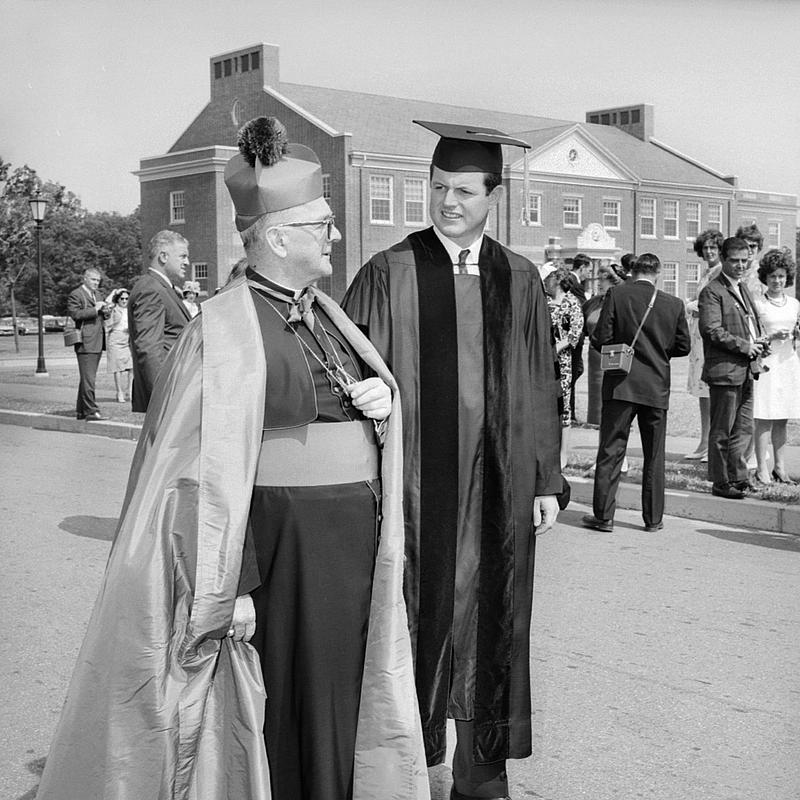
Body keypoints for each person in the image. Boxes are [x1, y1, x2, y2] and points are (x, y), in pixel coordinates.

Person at [36, 116, 429, 800]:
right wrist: (236, 583)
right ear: (278, 236)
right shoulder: (221, 328)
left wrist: (384, 410)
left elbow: (347, 411)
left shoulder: (324, 313)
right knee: (284, 708)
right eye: (323, 226)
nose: (334, 236)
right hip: (282, 554)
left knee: (338, 697)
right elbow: (196, 473)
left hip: (347, 552)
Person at [342, 120, 562, 800]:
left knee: (492, 620)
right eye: (438, 188)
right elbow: (344, 371)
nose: (448, 204)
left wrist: (546, 480)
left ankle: (479, 777)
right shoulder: (388, 272)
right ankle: (406, 771)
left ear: (492, 194)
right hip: (414, 488)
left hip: (499, 484)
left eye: (464, 192)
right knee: (416, 615)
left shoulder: (519, 279)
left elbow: (541, 383)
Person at [582, 254, 690, 533]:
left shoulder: (617, 295)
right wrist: (657, 350)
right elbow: (683, 346)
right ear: (659, 272)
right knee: (654, 454)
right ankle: (653, 518)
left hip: (621, 382)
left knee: (611, 449)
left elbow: (600, 338)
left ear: (632, 271)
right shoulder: (674, 304)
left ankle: (604, 515)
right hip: (655, 385)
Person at [699, 237, 767, 499]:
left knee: (743, 428)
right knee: (722, 429)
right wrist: (745, 346)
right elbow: (712, 330)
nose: (740, 265)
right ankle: (720, 481)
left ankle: (738, 477)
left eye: (744, 261)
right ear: (724, 260)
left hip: (747, 368)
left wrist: (759, 343)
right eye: (734, 261)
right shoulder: (713, 290)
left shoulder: (743, 288)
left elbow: (750, 323)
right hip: (725, 370)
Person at [128, 229, 192, 411]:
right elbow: (149, 349)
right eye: (182, 256)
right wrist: (164, 398)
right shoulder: (151, 290)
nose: (187, 262)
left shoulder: (161, 288)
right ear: (163, 256)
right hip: (167, 395)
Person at [751, 247, 800, 484]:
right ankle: (761, 469)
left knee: (782, 417)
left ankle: (780, 468)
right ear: (765, 277)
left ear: (787, 277)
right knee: (764, 416)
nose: (777, 280)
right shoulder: (758, 304)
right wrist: (770, 337)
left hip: (788, 362)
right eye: (772, 276)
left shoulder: (794, 304)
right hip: (767, 363)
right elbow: (752, 337)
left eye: (781, 276)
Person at [684, 229, 725, 461]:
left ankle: (712, 445)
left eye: (714, 248)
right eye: (706, 248)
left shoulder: (719, 272)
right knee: (702, 393)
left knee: (710, 392)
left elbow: (712, 306)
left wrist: (691, 306)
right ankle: (703, 441)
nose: (709, 251)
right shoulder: (707, 272)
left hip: (709, 338)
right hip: (698, 339)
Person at [544, 266, 584, 468]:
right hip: (543, 359)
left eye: (548, 279)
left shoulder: (572, 303)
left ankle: (563, 454)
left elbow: (575, 332)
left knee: (564, 405)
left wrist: (557, 347)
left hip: (563, 361)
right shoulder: (544, 302)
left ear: (557, 280)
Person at [66, 267, 111, 420]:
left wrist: (106, 311)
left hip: (98, 341)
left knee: (87, 378)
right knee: (89, 379)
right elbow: (75, 314)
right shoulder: (76, 294)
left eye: (98, 280)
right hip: (85, 342)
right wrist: (95, 309)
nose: (96, 283)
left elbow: (101, 315)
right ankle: (91, 411)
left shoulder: (98, 294)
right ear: (85, 279)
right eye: (93, 279)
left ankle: (81, 410)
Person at [567, 252, 592, 421]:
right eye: (588, 271)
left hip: (572, 336)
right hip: (573, 337)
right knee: (573, 371)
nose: (588, 274)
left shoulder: (572, 280)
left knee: (575, 371)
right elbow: (584, 308)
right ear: (581, 268)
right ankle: (570, 413)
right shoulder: (574, 283)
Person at [103, 287, 133, 402]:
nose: (124, 301)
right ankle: (119, 392)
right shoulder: (113, 308)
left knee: (131, 367)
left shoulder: (130, 309)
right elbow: (107, 304)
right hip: (115, 339)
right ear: (118, 299)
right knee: (118, 368)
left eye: (126, 298)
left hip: (127, 339)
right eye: (122, 298)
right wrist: (114, 292)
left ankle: (129, 391)